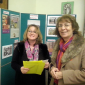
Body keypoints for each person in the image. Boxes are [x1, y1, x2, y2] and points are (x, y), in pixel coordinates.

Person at [49, 14, 85, 85]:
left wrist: (63, 75)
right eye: (60, 25)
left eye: (66, 25)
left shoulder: (83, 45)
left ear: (73, 27)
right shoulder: (58, 43)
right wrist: (52, 68)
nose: (63, 28)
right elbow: (53, 63)